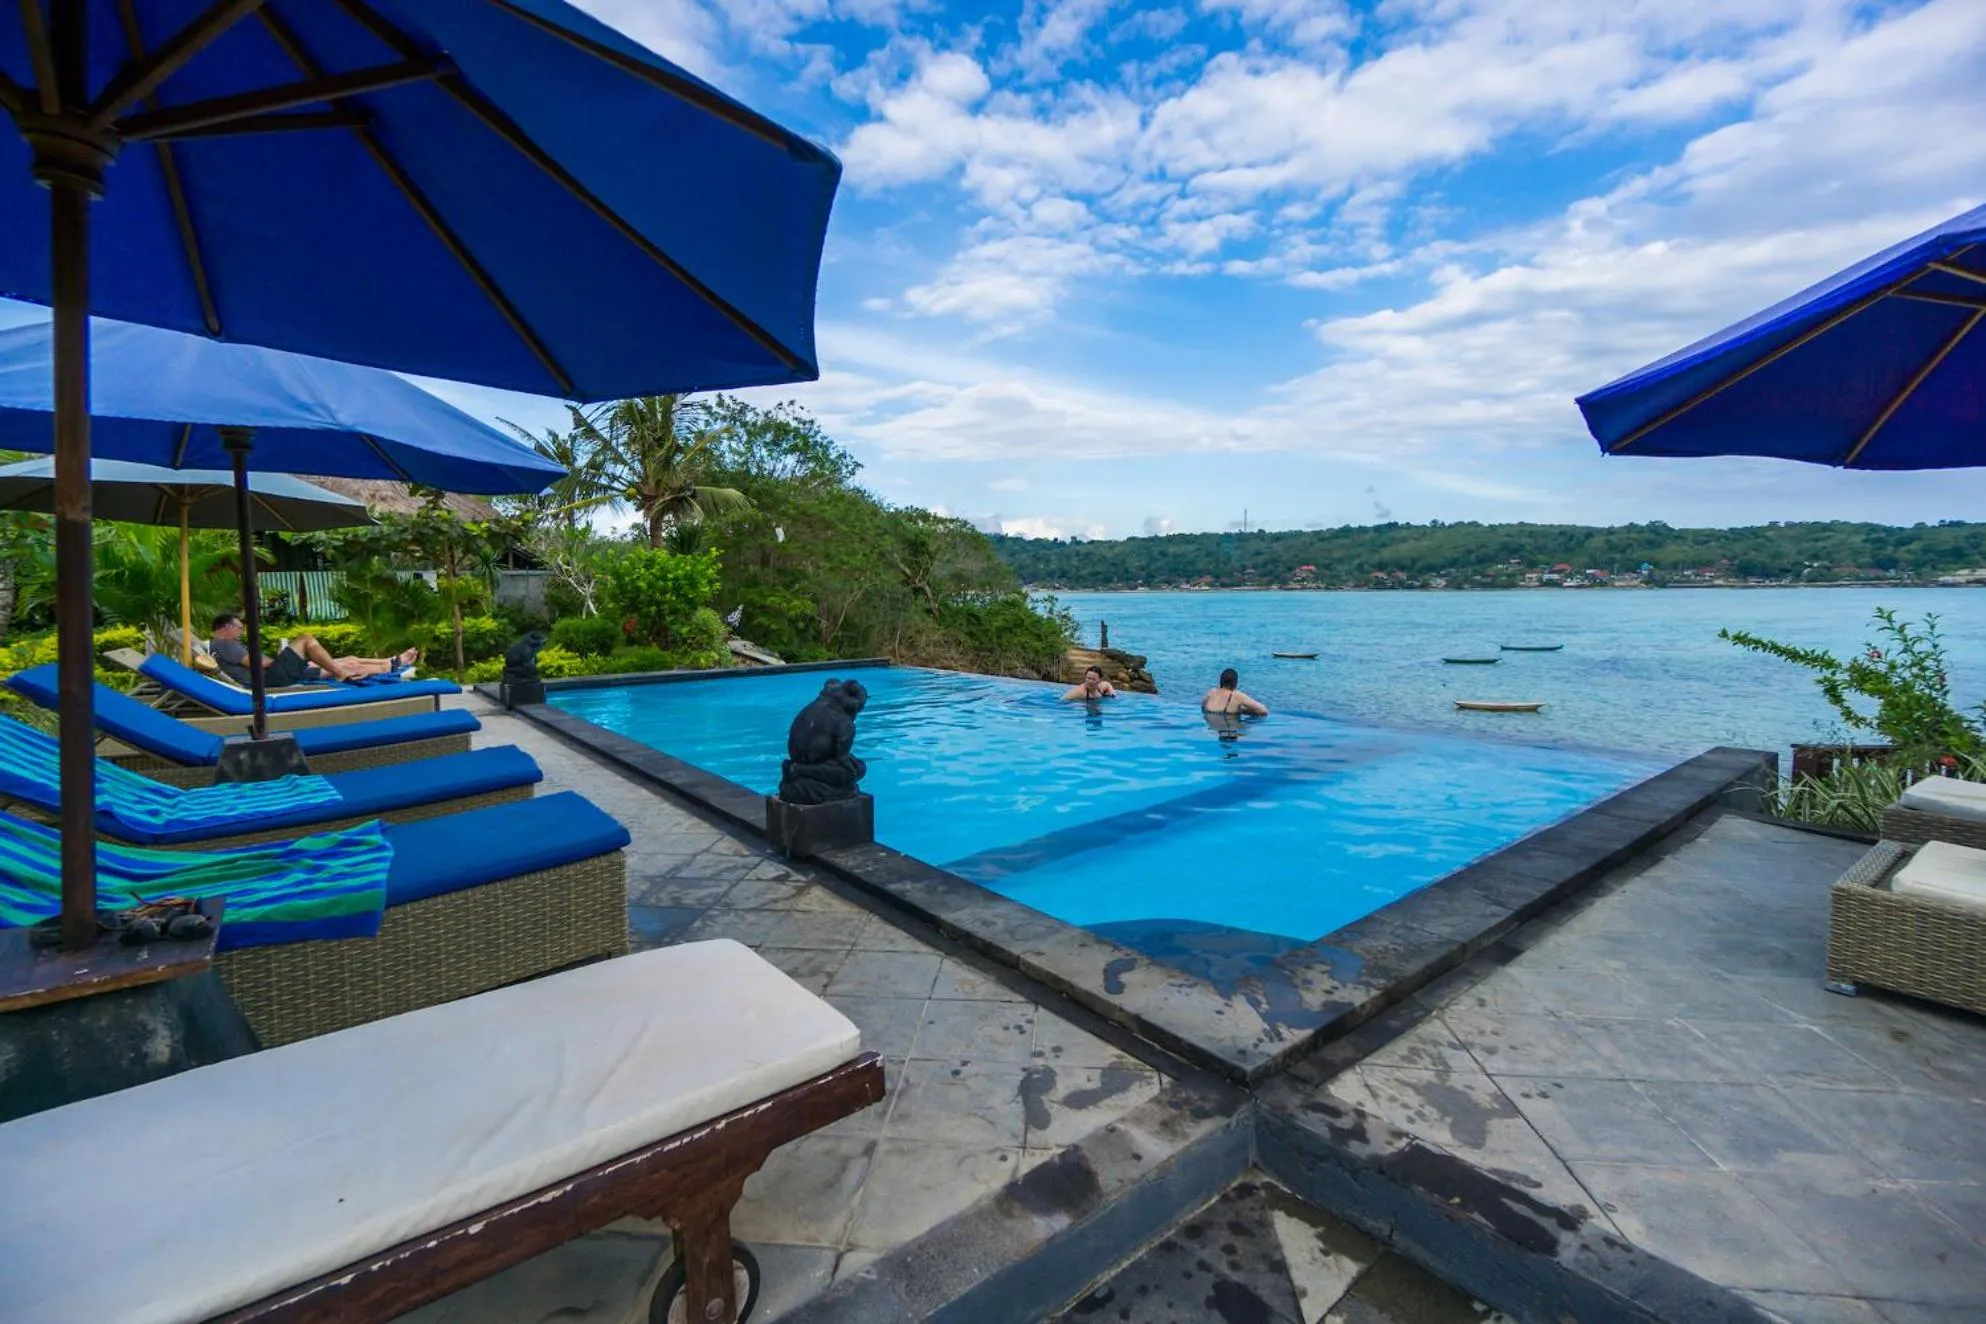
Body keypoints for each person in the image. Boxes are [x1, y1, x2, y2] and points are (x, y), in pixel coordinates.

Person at [208, 613, 418, 688]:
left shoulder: (224, 646)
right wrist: (289, 660)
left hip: (272, 675)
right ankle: (344, 673)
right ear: (225, 628)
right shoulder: (224, 644)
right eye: (238, 628)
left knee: (347, 660)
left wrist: (295, 661)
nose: (240, 632)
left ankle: (389, 663)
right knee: (306, 640)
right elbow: (259, 664)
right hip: (268, 678)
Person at [1201, 667, 1268, 718]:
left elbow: (1203, 706)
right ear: (1235, 682)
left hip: (1212, 728)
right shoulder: (1236, 695)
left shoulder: (1211, 692)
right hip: (1228, 728)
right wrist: (1241, 710)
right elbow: (1264, 710)